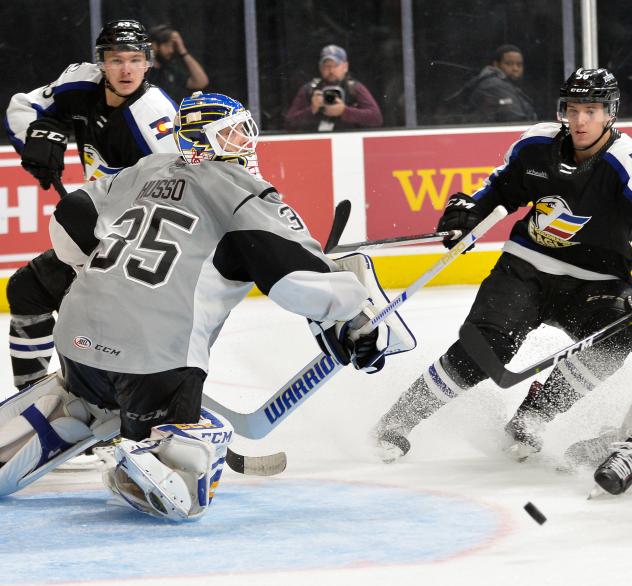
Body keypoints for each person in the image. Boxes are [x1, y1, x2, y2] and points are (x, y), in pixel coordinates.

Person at [0, 92, 412, 520]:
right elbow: (297, 284)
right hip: (153, 359)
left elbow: (69, 218)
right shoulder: (244, 194)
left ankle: (75, 409)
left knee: (94, 393)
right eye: (233, 133)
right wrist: (353, 306)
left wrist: (108, 270)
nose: (246, 142)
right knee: (184, 495)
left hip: (75, 341)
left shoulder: (149, 167)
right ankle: (170, 446)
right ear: (208, 140)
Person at [373, 68, 632, 464]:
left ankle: (534, 415)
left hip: (596, 285)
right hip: (527, 268)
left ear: (610, 113)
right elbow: (497, 192)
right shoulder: (537, 145)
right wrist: (469, 212)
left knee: (616, 339)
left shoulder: (623, 162)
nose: (580, 120)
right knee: (487, 346)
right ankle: (398, 420)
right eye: (574, 109)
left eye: (592, 110)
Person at [3, 19, 179, 391]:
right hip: (97, 236)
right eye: (116, 60)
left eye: (135, 59)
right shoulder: (80, 83)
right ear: (102, 62)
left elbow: (184, 188)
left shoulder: (153, 115)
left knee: (92, 326)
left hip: (137, 249)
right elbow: (25, 105)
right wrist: (37, 135)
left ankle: (113, 405)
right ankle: (33, 396)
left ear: (149, 63)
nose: (126, 69)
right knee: (27, 289)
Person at [285, 44, 383, 132]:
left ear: (345, 67)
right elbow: (288, 123)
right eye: (326, 66)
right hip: (316, 144)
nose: (331, 70)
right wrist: (312, 110)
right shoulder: (309, 89)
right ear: (320, 68)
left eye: (335, 65)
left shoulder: (354, 88)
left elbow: (376, 118)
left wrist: (344, 111)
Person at [447, 44, 537, 124]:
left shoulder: (509, 85)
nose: (515, 68)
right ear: (496, 65)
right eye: (509, 64)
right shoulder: (493, 85)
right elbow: (516, 121)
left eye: (519, 64)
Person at [147, 24, 209, 104]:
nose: (171, 50)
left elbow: (201, 82)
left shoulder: (170, 70)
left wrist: (183, 51)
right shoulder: (143, 71)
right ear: (154, 45)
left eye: (173, 46)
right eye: (167, 45)